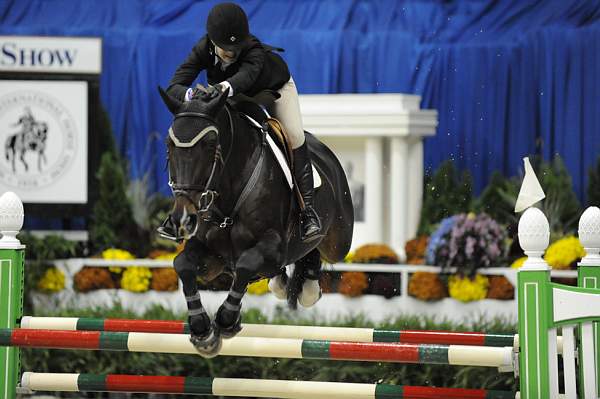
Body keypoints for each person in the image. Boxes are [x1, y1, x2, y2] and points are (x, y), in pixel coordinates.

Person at [166, 2, 321, 242]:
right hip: (236, 98)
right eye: (226, 48)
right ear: (213, 41)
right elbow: (175, 85)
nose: (232, 52)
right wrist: (190, 95)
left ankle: (308, 213)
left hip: (274, 91)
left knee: (294, 136)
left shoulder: (253, 50)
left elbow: (244, 77)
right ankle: (186, 212)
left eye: (236, 47)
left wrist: (218, 89)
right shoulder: (202, 49)